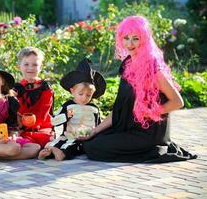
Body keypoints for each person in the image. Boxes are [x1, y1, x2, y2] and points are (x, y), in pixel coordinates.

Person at [82, 15, 197, 163]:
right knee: (91, 141)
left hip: (148, 132)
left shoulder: (153, 67)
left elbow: (177, 102)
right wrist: (95, 130)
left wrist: (151, 112)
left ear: (144, 39)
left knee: (95, 147)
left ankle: (153, 149)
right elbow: (119, 108)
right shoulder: (127, 64)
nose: (130, 43)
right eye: (126, 38)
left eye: (135, 38)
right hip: (129, 127)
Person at [38, 58, 106, 161]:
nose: (84, 98)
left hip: (84, 138)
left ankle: (62, 154)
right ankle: (47, 152)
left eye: (88, 95)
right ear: (72, 91)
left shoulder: (94, 109)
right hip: (67, 134)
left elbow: (99, 125)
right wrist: (66, 116)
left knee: (73, 146)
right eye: (81, 94)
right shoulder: (68, 106)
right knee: (57, 142)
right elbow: (53, 121)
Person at [13, 47, 55, 148]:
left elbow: (43, 113)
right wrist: (18, 126)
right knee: (14, 141)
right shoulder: (15, 89)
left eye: (35, 64)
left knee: (48, 141)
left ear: (41, 67)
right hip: (21, 129)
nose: (30, 68)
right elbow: (15, 111)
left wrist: (28, 126)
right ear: (19, 66)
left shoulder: (45, 88)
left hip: (42, 128)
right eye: (26, 64)